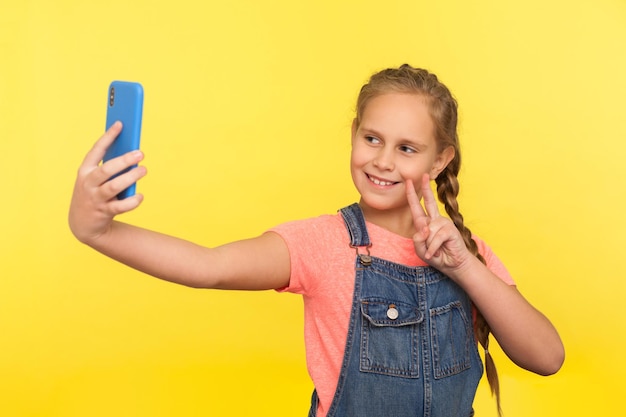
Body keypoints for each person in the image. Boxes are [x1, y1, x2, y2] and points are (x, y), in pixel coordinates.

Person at [69, 64, 564, 417]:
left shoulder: (465, 251)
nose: (383, 161)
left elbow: (547, 358)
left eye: (407, 148)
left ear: (439, 161)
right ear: (353, 133)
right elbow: (208, 266)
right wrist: (98, 231)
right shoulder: (324, 243)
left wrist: (464, 268)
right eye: (372, 139)